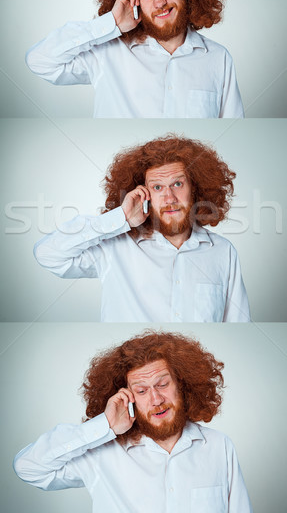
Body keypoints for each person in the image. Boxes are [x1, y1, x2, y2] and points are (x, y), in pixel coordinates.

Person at [13, 331, 253, 512]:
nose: (156, 399)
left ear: (183, 384)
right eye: (141, 391)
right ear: (127, 397)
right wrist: (104, 424)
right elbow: (28, 468)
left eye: (162, 384)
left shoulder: (219, 446)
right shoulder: (101, 453)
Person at [33, 134, 250, 322]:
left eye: (177, 184)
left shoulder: (223, 251)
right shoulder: (114, 247)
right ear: (143, 193)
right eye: (157, 187)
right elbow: (48, 255)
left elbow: (238, 323)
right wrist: (121, 218)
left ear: (195, 188)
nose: (169, 197)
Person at [26, 0, 244, 118]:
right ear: (133, 0)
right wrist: (111, 23)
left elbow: (232, 126)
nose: (159, 3)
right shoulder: (107, 52)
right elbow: (40, 61)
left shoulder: (218, 58)